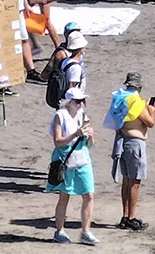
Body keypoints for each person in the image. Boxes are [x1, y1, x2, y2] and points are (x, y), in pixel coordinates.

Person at [47, 85, 96, 245]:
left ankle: (86, 232)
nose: (81, 104)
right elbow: (57, 141)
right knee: (64, 196)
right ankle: (59, 230)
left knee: (89, 194)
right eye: (78, 101)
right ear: (69, 102)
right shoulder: (60, 116)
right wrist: (75, 134)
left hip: (82, 158)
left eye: (82, 101)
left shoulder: (83, 116)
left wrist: (90, 136)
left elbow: (90, 144)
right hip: (65, 159)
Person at [108, 72, 154, 232]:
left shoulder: (120, 100)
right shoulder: (136, 102)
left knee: (126, 181)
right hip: (134, 143)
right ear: (139, 87)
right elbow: (150, 122)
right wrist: (152, 109)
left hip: (122, 141)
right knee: (135, 182)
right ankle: (131, 218)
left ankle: (125, 216)